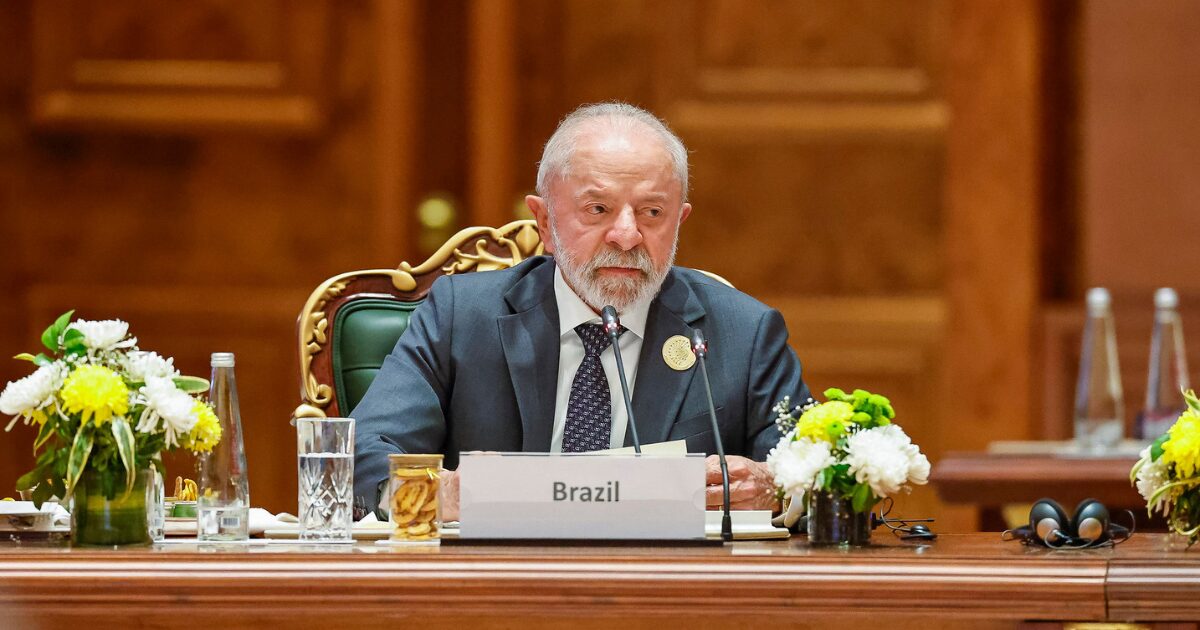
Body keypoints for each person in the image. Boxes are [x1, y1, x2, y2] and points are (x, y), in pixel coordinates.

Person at [352, 102, 810, 518]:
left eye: (652, 213)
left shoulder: (743, 333)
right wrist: (443, 492)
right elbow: (365, 456)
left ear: (680, 221)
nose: (627, 235)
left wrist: (774, 488)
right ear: (546, 222)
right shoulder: (459, 316)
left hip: (667, 591)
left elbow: (821, 474)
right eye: (598, 208)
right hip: (495, 584)